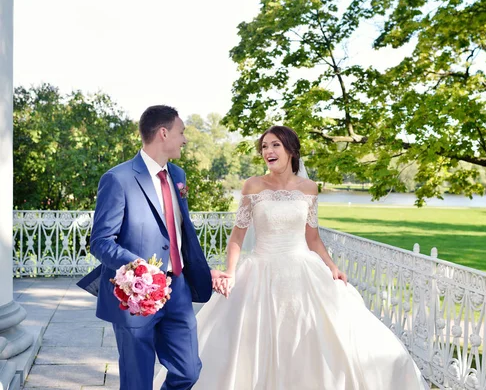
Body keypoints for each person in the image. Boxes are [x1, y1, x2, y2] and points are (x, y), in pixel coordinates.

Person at [154, 125, 429, 390]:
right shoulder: (253, 186)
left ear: (291, 150)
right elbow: (237, 236)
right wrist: (231, 272)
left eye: (275, 145)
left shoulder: (309, 188)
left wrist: (332, 266)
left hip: (303, 270)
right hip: (261, 270)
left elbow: (313, 237)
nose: (268, 151)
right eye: (264, 146)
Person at [77, 105, 229, 390]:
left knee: (188, 371)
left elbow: (178, 234)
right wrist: (140, 269)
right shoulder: (118, 179)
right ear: (163, 133)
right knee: (137, 381)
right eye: (181, 132)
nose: (184, 139)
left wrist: (205, 270)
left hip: (178, 290)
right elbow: (100, 242)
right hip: (134, 296)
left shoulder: (178, 175)